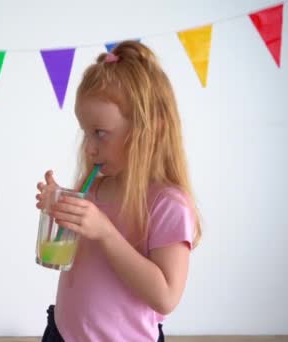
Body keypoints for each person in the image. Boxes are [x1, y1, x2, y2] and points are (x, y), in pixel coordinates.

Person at [35, 40, 202, 341]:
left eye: (100, 133)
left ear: (152, 129)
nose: (88, 147)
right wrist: (62, 207)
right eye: (85, 132)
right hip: (63, 332)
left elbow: (166, 296)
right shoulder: (97, 187)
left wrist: (106, 232)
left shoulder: (168, 204)